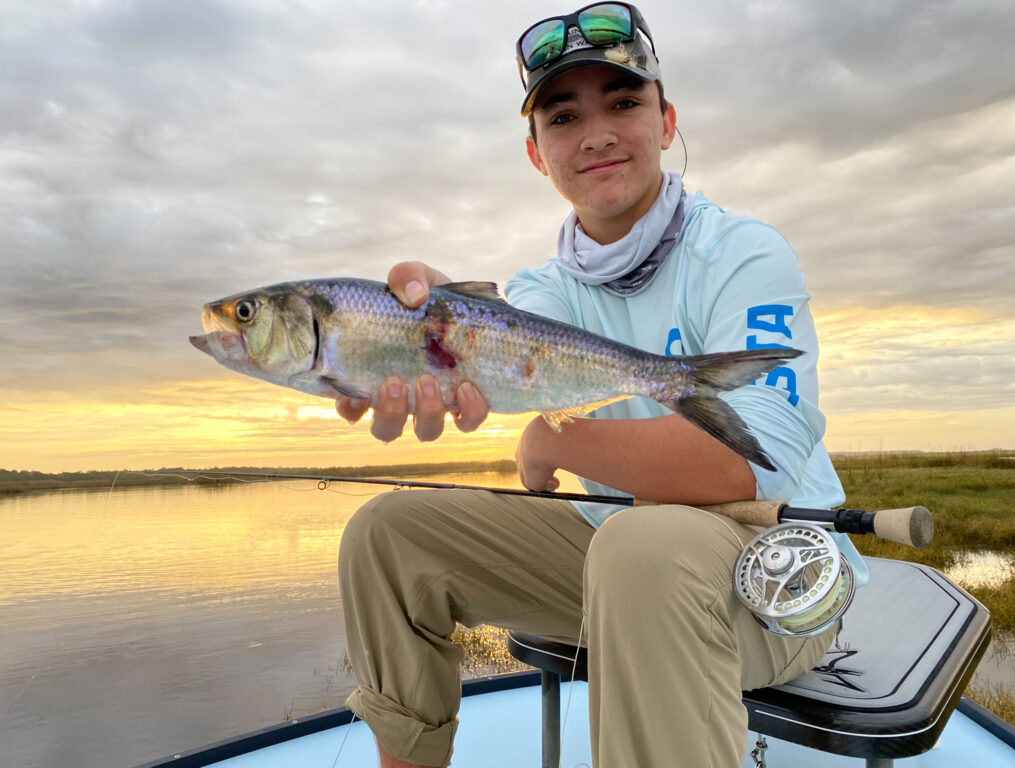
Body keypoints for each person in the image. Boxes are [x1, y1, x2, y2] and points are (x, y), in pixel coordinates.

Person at [335, 4, 866, 766]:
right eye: (563, 115)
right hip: (615, 568)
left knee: (639, 542)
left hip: (776, 581)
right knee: (385, 536)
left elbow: (756, 464)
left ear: (667, 120)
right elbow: (510, 344)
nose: (596, 133)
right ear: (536, 153)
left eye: (623, 102)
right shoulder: (542, 289)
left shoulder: (743, 253)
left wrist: (551, 434)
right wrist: (422, 334)